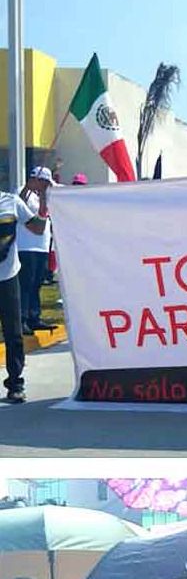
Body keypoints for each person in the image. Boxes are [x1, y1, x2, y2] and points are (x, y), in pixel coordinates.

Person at [0, 180, 49, 403]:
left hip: (8, 277)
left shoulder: (11, 202)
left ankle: (15, 384)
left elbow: (37, 229)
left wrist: (45, 200)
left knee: (14, 333)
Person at [17, 168, 55, 335]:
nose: (45, 186)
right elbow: (19, 203)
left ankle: (34, 317)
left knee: (37, 283)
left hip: (42, 246)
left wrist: (45, 197)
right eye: (43, 182)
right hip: (26, 246)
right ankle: (22, 319)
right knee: (25, 284)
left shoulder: (48, 196)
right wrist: (28, 188)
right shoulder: (21, 192)